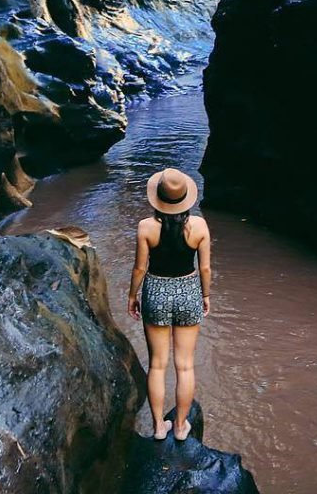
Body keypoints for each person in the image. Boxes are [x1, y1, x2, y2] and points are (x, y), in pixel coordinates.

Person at [127, 167, 211, 441]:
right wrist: (205, 295)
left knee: (158, 365)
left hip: (156, 292)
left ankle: (159, 428)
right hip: (189, 291)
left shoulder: (145, 227)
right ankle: (180, 427)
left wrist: (132, 295)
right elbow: (206, 269)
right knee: (185, 365)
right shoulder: (199, 226)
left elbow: (140, 268)